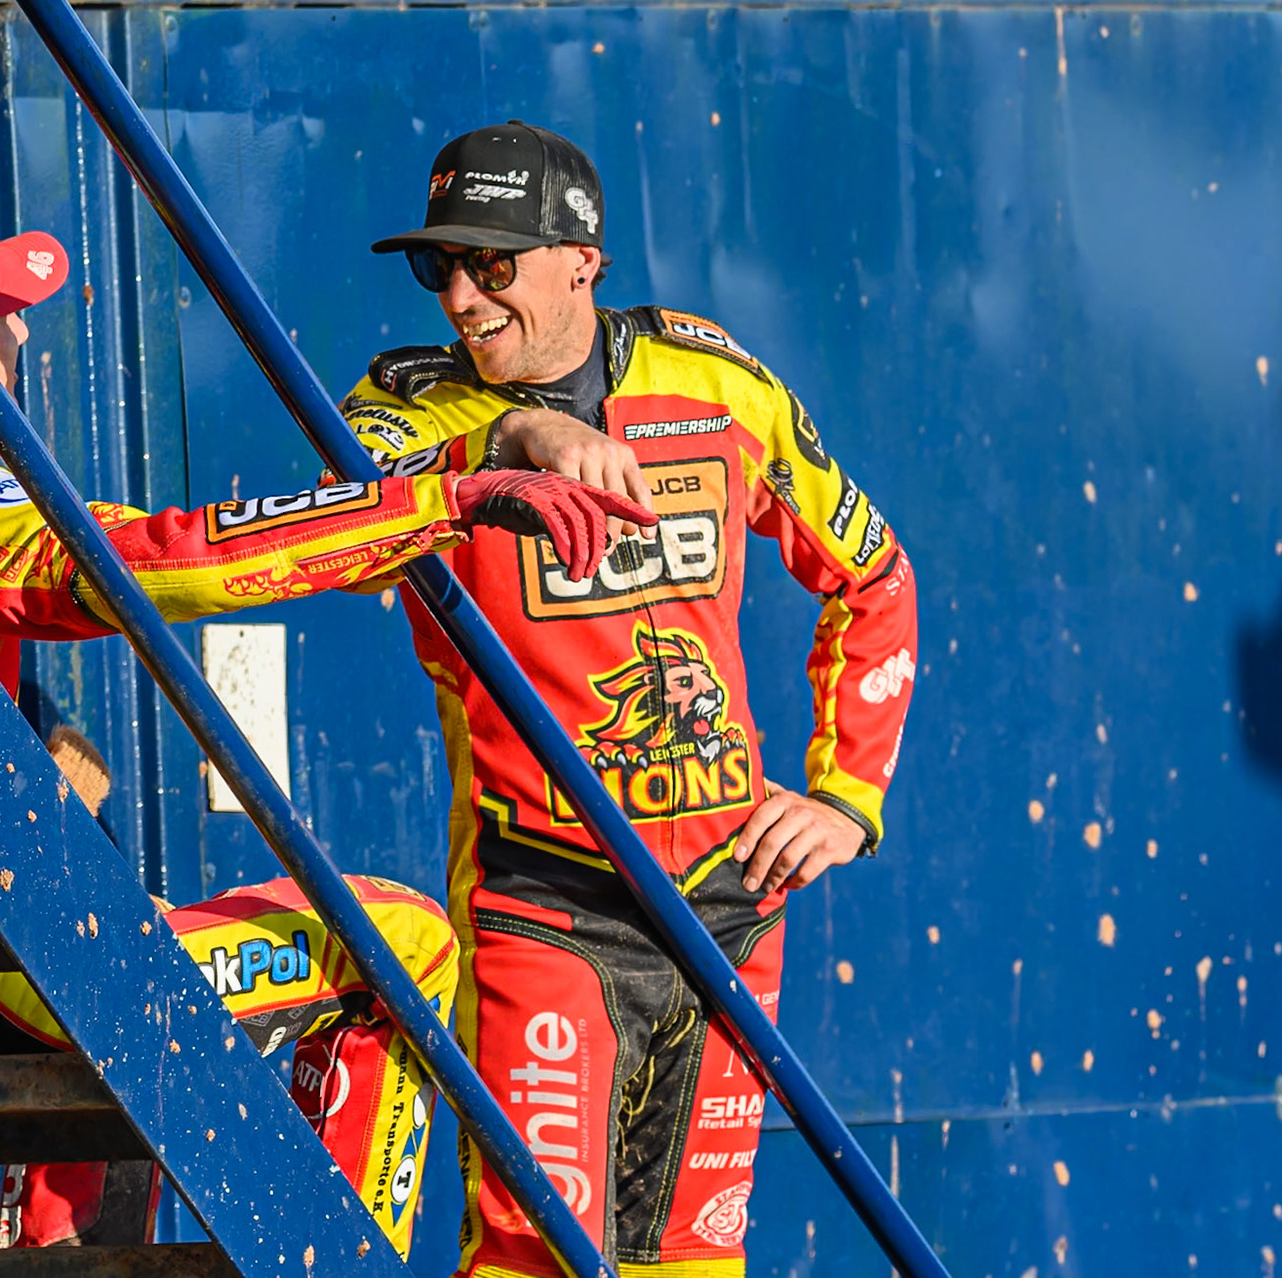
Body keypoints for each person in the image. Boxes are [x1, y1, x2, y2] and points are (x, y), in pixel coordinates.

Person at [0, 210, 653, 1257]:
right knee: (402, 939)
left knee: (123, 949)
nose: (26, 337)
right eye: (0, 317)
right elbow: (162, 557)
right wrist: (444, 503)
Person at [338, 123, 919, 1276]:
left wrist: (846, 796)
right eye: (438, 266)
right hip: (541, 903)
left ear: (581, 261)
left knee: (696, 1262)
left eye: (490, 264)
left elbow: (875, 576)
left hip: (732, 908)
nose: (460, 295)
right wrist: (520, 434)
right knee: (535, 1257)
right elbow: (357, 493)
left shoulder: (719, 387)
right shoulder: (404, 409)